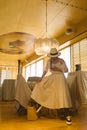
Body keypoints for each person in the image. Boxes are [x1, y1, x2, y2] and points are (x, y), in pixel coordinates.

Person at [31, 48, 72, 121]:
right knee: (40, 85)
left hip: (60, 79)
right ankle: (55, 112)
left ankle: (64, 113)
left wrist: (59, 69)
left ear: (57, 55)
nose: (53, 58)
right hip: (52, 78)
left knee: (61, 94)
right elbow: (45, 71)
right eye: (52, 56)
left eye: (54, 56)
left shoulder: (61, 61)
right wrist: (41, 78)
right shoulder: (49, 61)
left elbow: (66, 70)